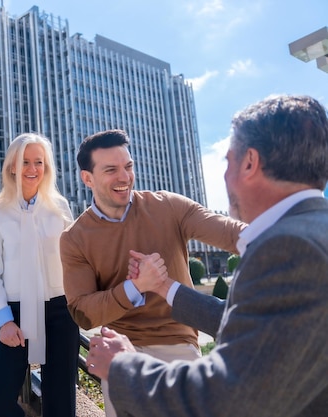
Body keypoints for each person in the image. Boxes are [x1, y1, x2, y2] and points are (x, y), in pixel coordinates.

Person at [86, 94, 328, 417]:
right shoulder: (314, 230)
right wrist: (164, 287)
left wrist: (123, 367)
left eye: (228, 161)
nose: (225, 176)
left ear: (250, 163)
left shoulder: (285, 247)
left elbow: (226, 397)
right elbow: (255, 323)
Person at [59, 128, 246, 415]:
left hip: (178, 344)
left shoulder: (168, 206)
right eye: (111, 170)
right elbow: (83, 312)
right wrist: (136, 286)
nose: (124, 177)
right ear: (88, 178)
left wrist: (287, 236)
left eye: (128, 166)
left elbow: (231, 232)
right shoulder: (74, 238)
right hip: (120, 349)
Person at [0, 133, 80, 417]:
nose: (33, 169)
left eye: (39, 162)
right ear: (12, 166)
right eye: (25, 161)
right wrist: (3, 321)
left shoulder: (59, 208)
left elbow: (74, 260)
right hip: (14, 313)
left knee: (61, 401)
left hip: (60, 311)